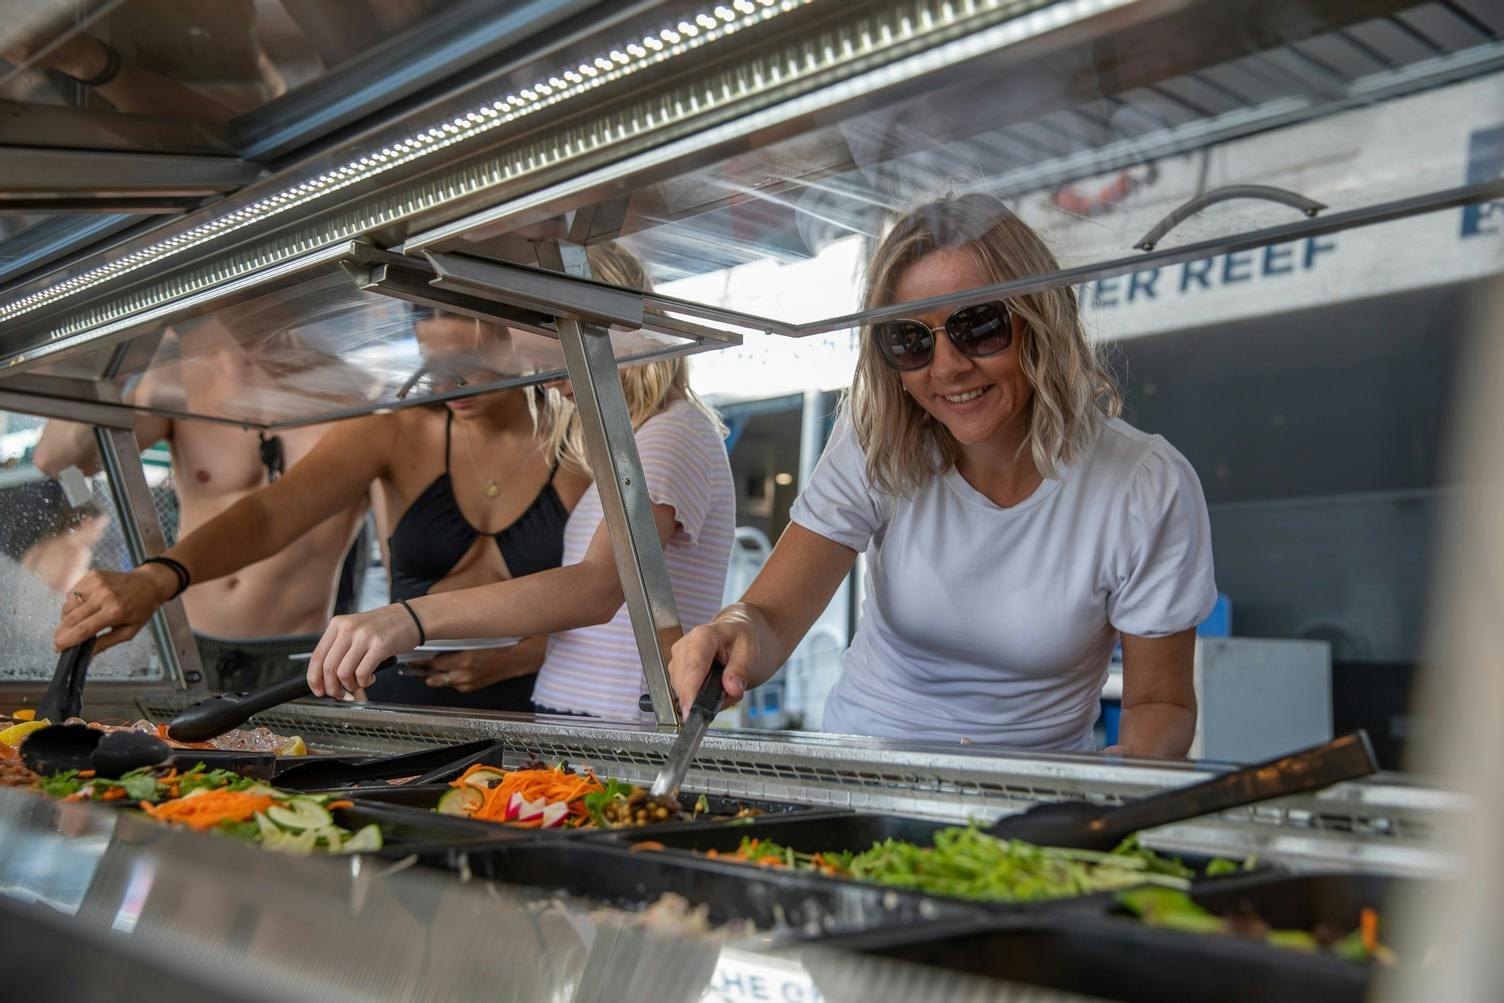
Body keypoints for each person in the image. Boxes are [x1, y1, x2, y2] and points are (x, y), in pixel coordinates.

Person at [667, 192, 1216, 757]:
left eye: (978, 326)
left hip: (1036, 787)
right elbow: (771, 618)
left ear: (1040, 320)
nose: (948, 367)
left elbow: (1160, 704)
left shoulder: (1144, 483)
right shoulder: (875, 435)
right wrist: (730, 632)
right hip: (867, 768)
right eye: (911, 341)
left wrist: (1104, 789)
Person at [52, 307, 588, 710]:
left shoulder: (579, 443)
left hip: (549, 706)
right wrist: (158, 577)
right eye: (433, 365)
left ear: (518, 347)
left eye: (468, 365)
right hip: (406, 708)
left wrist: (526, 653)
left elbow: (614, 587)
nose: (448, 384)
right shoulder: (393, 431)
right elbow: (272, 514)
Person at [305, 252, 735, 721]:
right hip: (587, 721)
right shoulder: (642, 439)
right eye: (537, 367)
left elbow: (598, 589)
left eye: (556, 361)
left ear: (616, 330)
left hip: (621, 724)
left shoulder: (673, 433)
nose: (548, 384)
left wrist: (409, 617)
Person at [35, 322, 370, 692]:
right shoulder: (178, 378)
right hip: (191, 646)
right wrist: (118, 357)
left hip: (299, 651)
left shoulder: (351, 392)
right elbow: (58, 460)